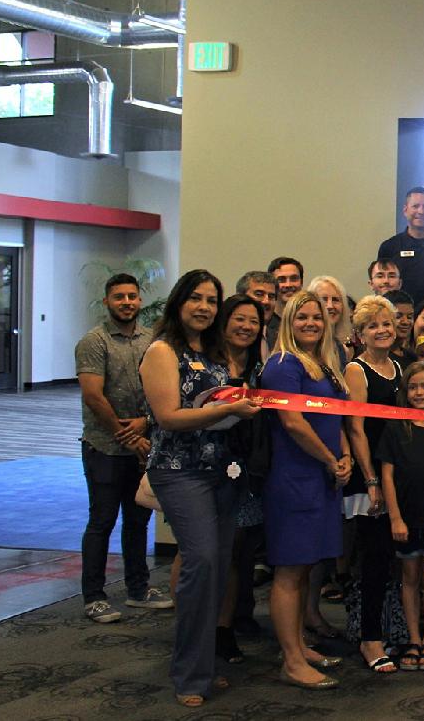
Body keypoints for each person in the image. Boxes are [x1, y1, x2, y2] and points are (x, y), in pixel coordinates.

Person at [138, 269, 262, 707]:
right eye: (197, 298)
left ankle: (203, 664)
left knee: (216, 569)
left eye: (212, 300)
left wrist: (236, 407)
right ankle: (189, 674)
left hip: (220, 471)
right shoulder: (161, 351)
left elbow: (214, 408)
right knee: (202, 562)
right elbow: (168, 417)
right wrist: (225, 412)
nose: (205, 307)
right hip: (178, 471)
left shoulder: (212, 355)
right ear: (179, 301)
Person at [261, 289, 351, 691]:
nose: (312, 323)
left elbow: (338, 417)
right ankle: (291, 661)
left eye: (317, 317)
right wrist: (331, 461)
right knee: (289, 570)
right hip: (295, 478)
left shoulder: (322, 363)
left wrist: (343, 456)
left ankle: (298, 646)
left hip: (321, 477)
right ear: (288, 322)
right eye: (302, 318)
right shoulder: (282, 365)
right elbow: (294, 423)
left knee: (305, 569)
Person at [77, 273, 166, 625]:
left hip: (143, 443)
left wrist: (145, 423)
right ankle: (94, 596)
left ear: (140, 300)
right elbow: (93, 396)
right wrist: (126, 434)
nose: (126, 302)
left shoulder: (150, 340)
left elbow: (158, 388)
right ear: (107, 302)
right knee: (101, 522)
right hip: (104, 447)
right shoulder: (94, 341)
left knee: (137, 520)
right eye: (119, 297)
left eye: (132, 296)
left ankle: (138, 589)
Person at [341, 295, 401, 674]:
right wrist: (372, 479)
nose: (382, 330)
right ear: (360, 334)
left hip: (396, 475)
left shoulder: (399, 366)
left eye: (386, 324)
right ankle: (369, 638)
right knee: (374, 560)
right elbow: (356, 429)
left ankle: (390, 629)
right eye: (373, 326)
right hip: (371, 480)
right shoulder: (356, 371)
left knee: (393, 561)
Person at [380, 361, 424, 672]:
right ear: (404, 392)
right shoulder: (396, 425)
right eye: (413, 387)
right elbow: (388, 476)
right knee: (409, 578)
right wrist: (395, 517)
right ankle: (413, 638)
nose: (419, 393)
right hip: (406, 517)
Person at [214, 295, 267, 665]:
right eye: (239, 319)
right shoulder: (204, 362)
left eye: (253, 321)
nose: (246, 327)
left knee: (236, 553)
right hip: (204, 463)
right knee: (197, 554)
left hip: (244, 464)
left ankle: (222, 628)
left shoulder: (257, 367)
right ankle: (194, 627)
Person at [306, 275, 353, 362]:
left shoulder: (342, 350)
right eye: (324, 299)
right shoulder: (304, 349)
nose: (330, 306)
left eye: (335, 300)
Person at [235, 271, 278, 358]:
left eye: (271, 296)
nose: (266, 301)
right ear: (240, 297)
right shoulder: (226, 336)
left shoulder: (278, 338)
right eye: (259, 294)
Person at [265, 256, 304, 347]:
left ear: (301, 282)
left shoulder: (309, 324)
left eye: (294, 279)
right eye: (281, 280)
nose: (288, 284)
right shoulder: (265, 326)